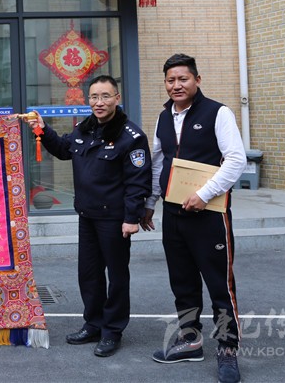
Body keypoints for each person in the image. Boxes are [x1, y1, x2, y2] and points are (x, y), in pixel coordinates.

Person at [25, 75, 151, 357]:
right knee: (89, 275)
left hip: (115, 219)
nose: (99, 102)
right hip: (88, 216)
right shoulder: (85, 128)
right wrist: (42, 129)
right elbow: (63, 150)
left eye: (105, 96)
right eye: (94, 97)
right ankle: (93, 323)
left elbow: (138, 181)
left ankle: (112, 330)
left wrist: (132, 217)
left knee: (117, 277)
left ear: (117, 98)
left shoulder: (131, 136)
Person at [143, 54, 246, 383]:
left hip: (209, 215)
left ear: (197, 80)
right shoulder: (163, 118)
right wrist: (150, 203)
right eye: (170, 80)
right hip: (173, 215)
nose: (176, 85)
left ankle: (227, 348)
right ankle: (190, 339)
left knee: (219, 285)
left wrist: (204, 194)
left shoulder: (218, 113)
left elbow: (236, 160)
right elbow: (158, 163)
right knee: (183, 283)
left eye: (183, 79)